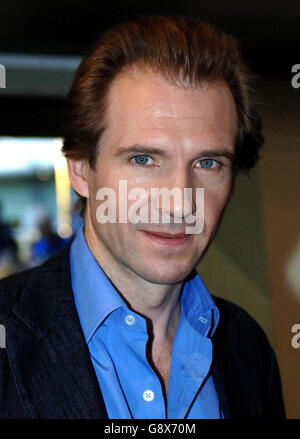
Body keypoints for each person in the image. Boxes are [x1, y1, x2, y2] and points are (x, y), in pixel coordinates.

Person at [0, 15, 285, 419]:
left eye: (207, 162)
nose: (179, 203)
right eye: (144, 159)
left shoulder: (246, 347)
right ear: (81, 169)